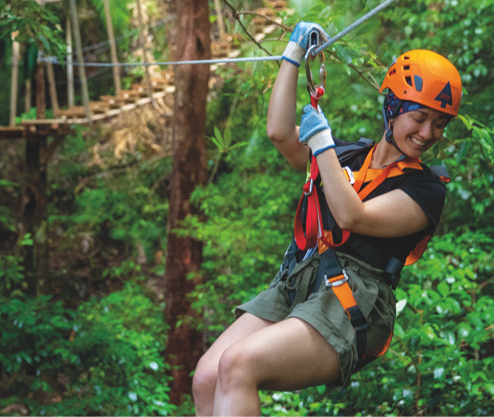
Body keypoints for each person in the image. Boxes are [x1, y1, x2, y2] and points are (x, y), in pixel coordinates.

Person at [191, 21, 463, 416]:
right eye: (419, 118)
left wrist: (322, 144)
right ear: (392, 108)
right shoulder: (351, 156)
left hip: (355, 299)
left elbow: (352, 214)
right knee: (207, 376)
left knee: (238, 364)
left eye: (439, 124)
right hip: (303, 279)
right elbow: (281, 133)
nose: (428, 133)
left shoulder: (427, 190)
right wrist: (293, 55)